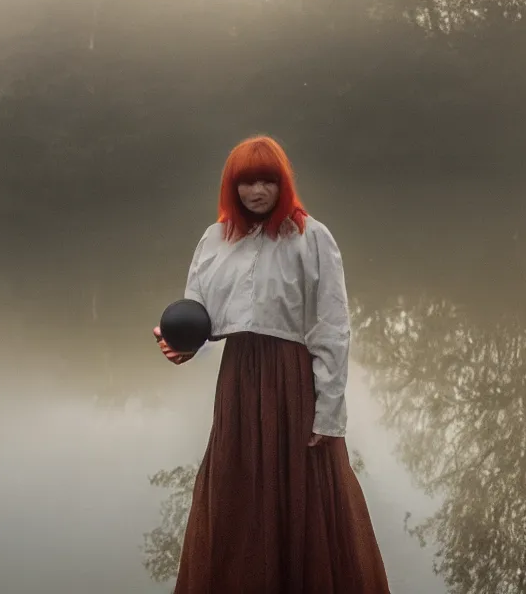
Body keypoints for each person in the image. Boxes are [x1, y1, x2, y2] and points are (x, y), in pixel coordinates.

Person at [153, 135, 390, 593]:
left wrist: (329, 412)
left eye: (266, 181)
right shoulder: (215, 239)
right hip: (239, 379)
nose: (256, 192)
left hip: (293, 380)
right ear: (232, 187)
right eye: (246, 183)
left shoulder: (310, 237)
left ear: (283, 184)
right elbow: (198, 315)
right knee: (236, 484)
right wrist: (179, 344)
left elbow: (332, 328)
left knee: (300, 487)